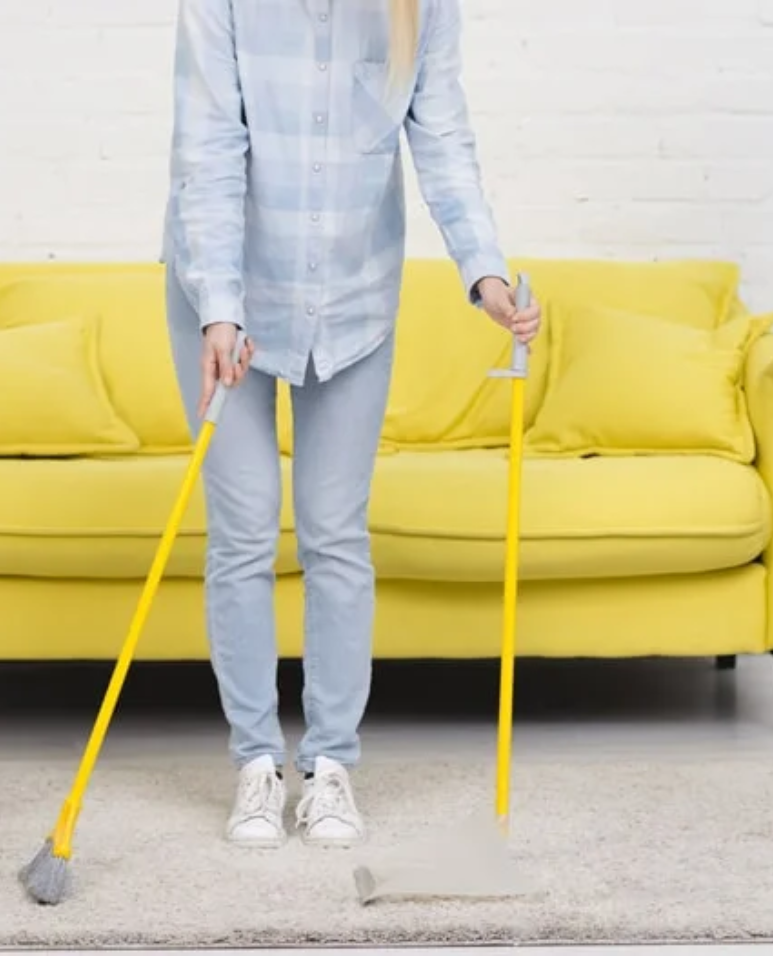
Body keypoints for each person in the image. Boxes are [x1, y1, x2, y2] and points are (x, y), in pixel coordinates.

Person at [160, 0, 541, 850]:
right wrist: (219, 307)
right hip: (224, 296)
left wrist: (485, 275)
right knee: (245, 531)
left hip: (353, 297)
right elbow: (208, 148)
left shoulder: (422, 7)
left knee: (335, 533)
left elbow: (442, 139)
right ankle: (257, 765)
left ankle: (330, 768)